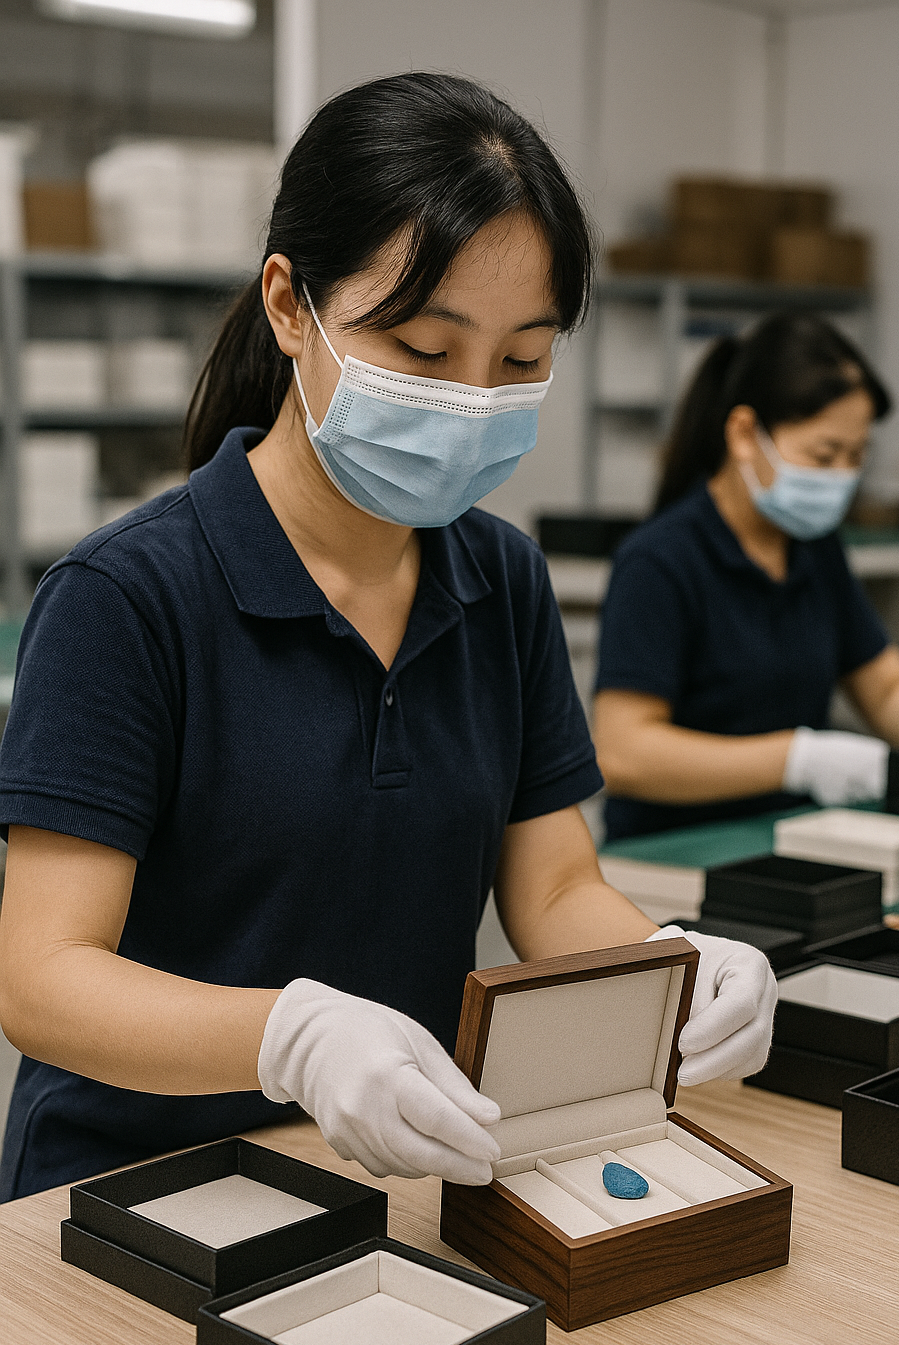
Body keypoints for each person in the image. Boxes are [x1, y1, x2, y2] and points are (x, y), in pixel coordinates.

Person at [0, 74, 774, 1203]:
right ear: (286, 305)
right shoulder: (129, 597)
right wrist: (292, 1038)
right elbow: (40, 978)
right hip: (132, 1188)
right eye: (421, 348)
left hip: (387, 1170)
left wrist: (671, 964)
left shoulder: (500, 577)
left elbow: (552, 886)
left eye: (520, 362)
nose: (471, 400)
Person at [593, 314, 899, 842]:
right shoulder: (660, 562)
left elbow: (883, 690)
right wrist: (798, 760)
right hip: (670, 852)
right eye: (823, 454)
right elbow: (625, 753)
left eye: (856, 456)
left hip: (790, 842)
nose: (840, 476)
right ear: (746, 435)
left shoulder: (815, 551)